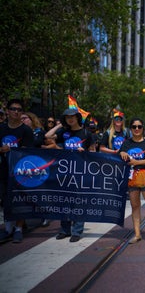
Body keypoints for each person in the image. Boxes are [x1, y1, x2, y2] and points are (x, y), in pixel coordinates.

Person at [45, 108, 94, 243]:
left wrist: (84, 152)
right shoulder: (63, 132)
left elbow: (93, 153)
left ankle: (77, 231)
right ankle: (64, 230)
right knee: (63, 201)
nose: (70, 119)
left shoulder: (86, 133)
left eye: (72, 116)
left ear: (78, 117)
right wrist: (59, 125)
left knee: (79, 201)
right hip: (64, 170)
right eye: (67, 117)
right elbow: (48, 136)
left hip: (80, 171)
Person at [0, 99, 34, 243]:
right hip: (3, 169)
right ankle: (8, 229)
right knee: (5, 199)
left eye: (19, 110)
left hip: (20, 171)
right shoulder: (1, 128)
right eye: (13, 109)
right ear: (7, 111)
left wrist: (12, 149)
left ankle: (19, 229)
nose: (16, 112)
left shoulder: (26, 130)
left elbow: (29, 151)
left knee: (20, 199)